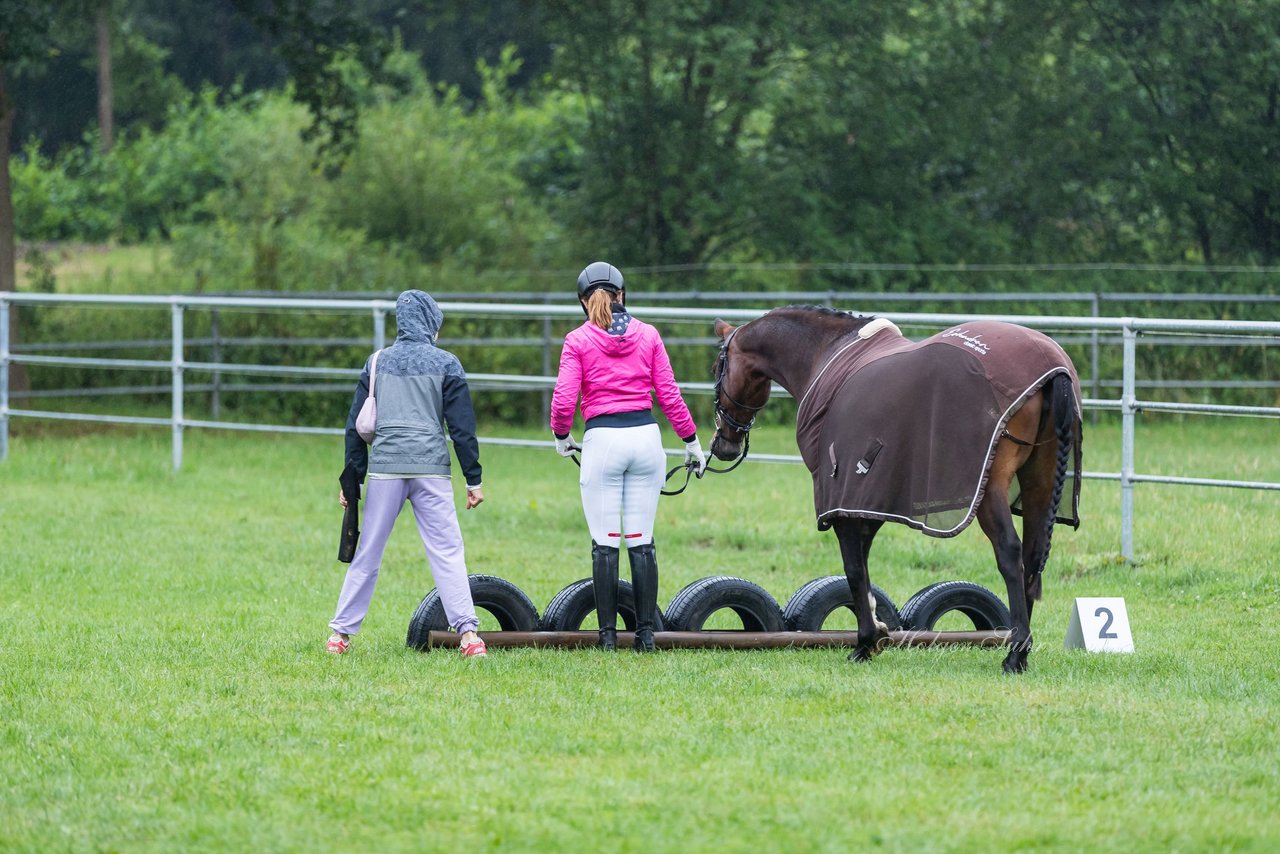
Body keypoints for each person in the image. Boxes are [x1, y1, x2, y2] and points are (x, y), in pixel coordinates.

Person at [550, 261, 706, 652]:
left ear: (584, 302)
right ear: (623, 295)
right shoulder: (648, 334)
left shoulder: (578, 339)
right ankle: (646, 636)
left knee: (605, 542)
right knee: (642, 539)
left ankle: (606, 638)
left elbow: (565, 399)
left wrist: (561, 435)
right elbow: (669, 395)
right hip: (646, 440)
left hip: (603, 441)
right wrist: (691, 443)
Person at [327, 289, 489, 657]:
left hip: (386, 469)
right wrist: (473, 478)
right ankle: (468, 635)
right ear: (431, 323)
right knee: (447, 551)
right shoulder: (447, 363)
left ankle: (340, 635)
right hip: (431, 469)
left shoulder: (376, 362)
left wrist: (352, 482)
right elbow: (462, 427)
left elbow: (355, 427)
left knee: (368, 552)